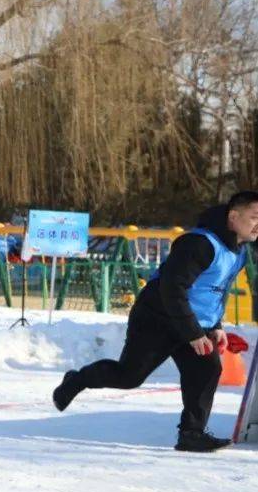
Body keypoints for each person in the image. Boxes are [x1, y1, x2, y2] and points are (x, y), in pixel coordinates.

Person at [53, 191, 258, 452]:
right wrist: (193, 333)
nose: (257, 225)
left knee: (206, 369)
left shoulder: (238, 251)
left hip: (192, 321)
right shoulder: (199, 244)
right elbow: (172, 289)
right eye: (254, 217)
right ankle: (77, 379)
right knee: (128, 376)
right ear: (233, 216)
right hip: (157, 318)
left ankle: (191, 434)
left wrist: (215, 326)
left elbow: (214, 290)